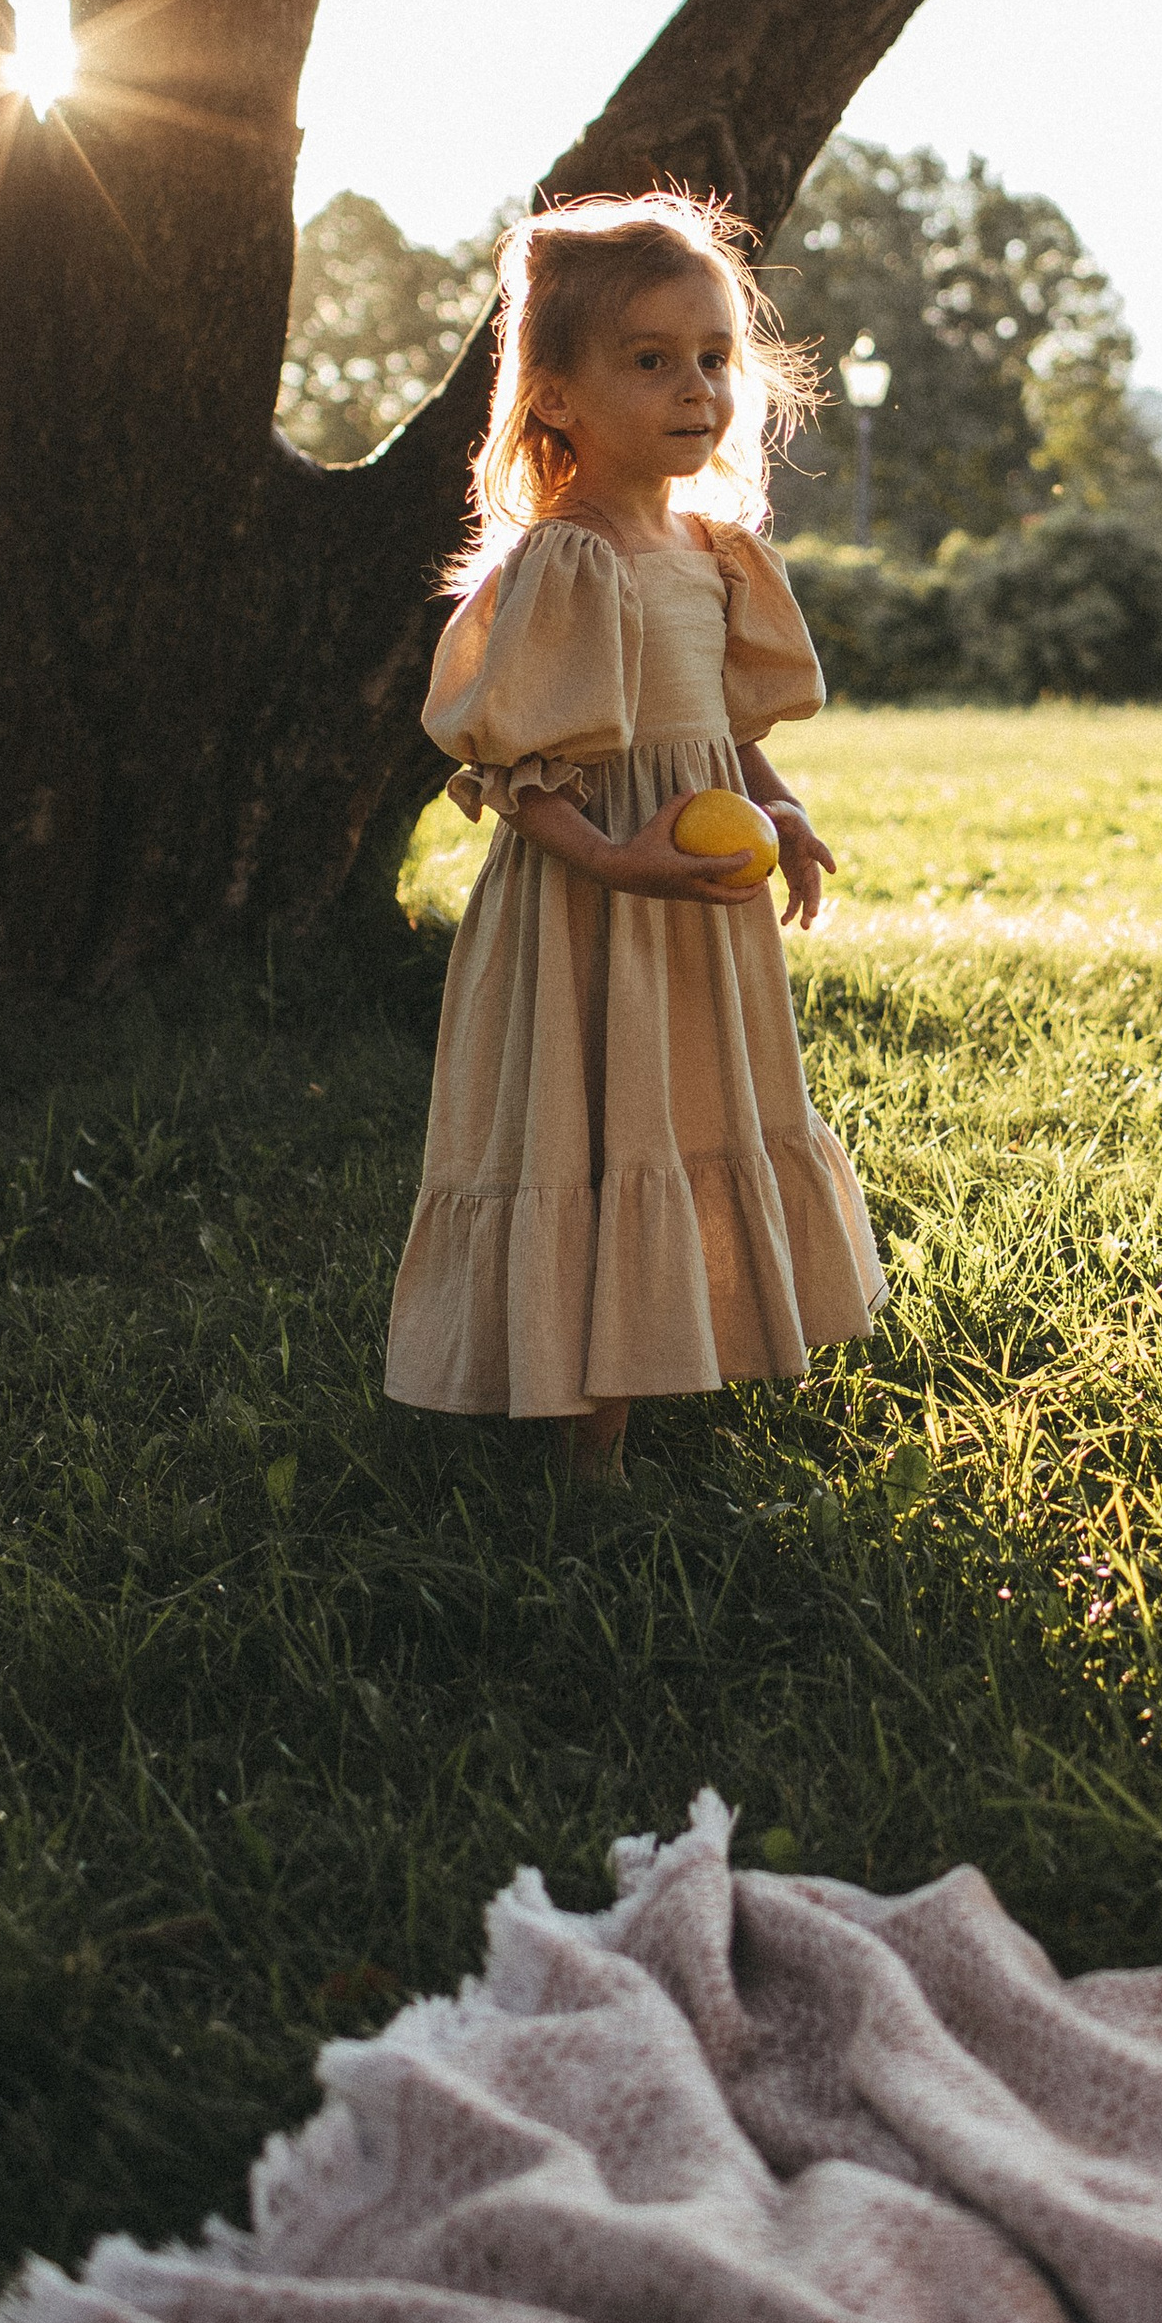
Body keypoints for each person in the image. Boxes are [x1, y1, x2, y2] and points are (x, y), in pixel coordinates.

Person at [385, 189, 884, 1485]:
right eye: (650, 360)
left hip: (695, 909)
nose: (695, 389)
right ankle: (581, 1439)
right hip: (591, 907)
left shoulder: (712, 551)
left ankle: (678, 1343)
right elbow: (522, 772)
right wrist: (617, 859)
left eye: (714, 358)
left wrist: (778, 804)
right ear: (552, 394)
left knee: (688, 1115)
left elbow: (718, 726)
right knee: (597, 1129)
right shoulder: (566, 559)